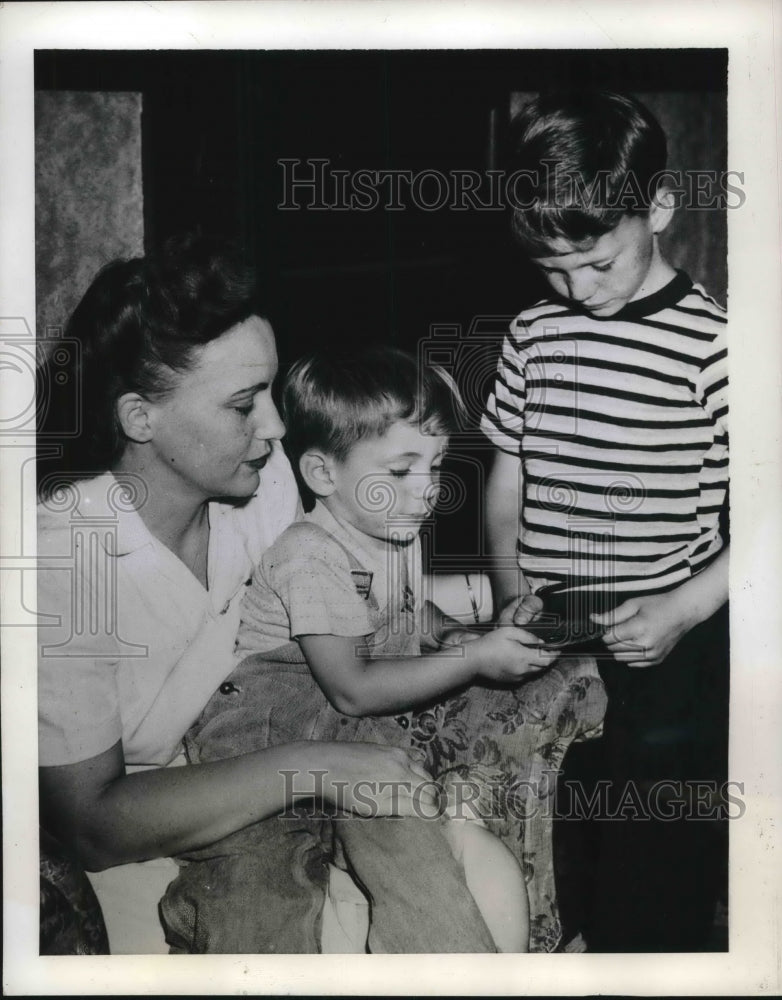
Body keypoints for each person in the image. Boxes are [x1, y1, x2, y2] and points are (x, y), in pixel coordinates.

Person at [35, 234, 494, 955]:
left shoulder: (264, 477)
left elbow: (335, 600)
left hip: (290, 755)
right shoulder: (64, 561)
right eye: (244, 404)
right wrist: (317, 767)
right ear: (139, 419)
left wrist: (468, 627)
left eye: (271, 393)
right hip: (158, 832)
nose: (277, 427)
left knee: (464, 890)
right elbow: (92, 826)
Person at [162, 347, 555, 953]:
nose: (427, 492)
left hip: (361, 741)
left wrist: (460, 636)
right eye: (400, 472)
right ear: (323, 476)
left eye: (437, 465)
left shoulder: (393, 531)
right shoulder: (310, 554)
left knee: (417, 858)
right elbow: (352, 688)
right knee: (262, 886)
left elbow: (407, 610)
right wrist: (474, 661)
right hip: (267, 740)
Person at [481, 90, 729, 951]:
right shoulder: (532, 333)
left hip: (667, 630)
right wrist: (513, 593)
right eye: (551, 268)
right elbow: (506, 480)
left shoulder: (717, 346)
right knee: (557, 831)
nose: (575, 289)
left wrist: (681, 611)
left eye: (596, 263)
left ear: (657, 208)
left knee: (655, 847)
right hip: (555, 622)